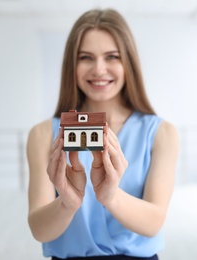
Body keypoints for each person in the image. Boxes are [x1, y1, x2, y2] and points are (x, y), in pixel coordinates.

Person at [26, 8, 179, 260]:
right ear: (71, 65)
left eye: (112, 57)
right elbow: (39, 230)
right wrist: (67, 204)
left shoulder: (162, 133)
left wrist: (111, 197)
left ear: (128, 62)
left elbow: (154, 221)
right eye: (86, 57)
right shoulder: (42, 134)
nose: (99, 69)